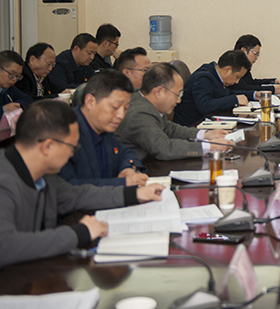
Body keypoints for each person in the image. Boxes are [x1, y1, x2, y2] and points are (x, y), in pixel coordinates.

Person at [0, 100, 164, 269]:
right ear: (47, 146)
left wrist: (134, 194)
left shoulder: (43, 174)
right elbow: (5, 246)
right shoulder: (4, 180)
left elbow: (77, 195)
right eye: (72, 147)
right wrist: (81, 232)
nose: (72, 153)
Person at [116, 63, 233, 161]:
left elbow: (168, 128)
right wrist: (210, 146)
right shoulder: (140, 113)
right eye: (177, 94)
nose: (179, 100)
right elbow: (164, 148)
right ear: (158, 92)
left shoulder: (146, 102)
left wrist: (204, 135)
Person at [58, 70, 148, 187]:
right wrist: (122, 182)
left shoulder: (104, 127)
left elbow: (125, 153)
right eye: (115, 107)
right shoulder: (63, 132)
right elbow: (66, 186)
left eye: (126, 108)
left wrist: (128, 169)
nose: (121, 115)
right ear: (90, 101)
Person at [174, 50, 255, 126]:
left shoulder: (215, 74)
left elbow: (227, 93)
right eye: (237, 77)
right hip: (191, 126)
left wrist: (254, 95)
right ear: (227, 70)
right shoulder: (203, 78)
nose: (237, 82)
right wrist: (235, 99)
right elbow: (205, 106)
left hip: (205, 121)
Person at [0, 50, 33, 115]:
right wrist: (3, 109)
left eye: (18, 76)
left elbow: (28, 99)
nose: (14, 79)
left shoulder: (9, 88)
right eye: (11, 74)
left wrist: (18, 105)